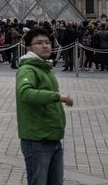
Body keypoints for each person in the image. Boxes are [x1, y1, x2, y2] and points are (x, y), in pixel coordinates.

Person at [16, 28, 73, 185]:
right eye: (39, 43)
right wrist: (58, 97)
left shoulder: (44, 67)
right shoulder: (27, 69)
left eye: (47, 42)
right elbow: (25, 93)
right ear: (29, 48)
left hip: (52, 137)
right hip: (37, 140)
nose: (45, 46)